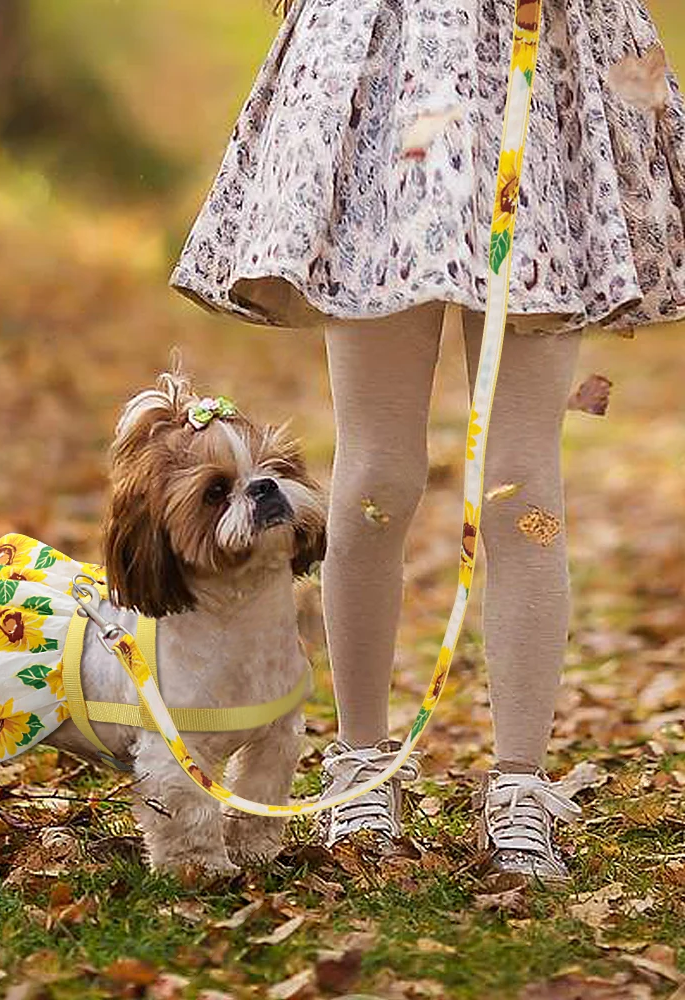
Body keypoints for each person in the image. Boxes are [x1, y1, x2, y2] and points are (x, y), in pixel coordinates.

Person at [168, 0, 685, 881]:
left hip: (541, 62)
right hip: (391, 70)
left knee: (523, 477)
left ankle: (521, 786)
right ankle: (364, 759)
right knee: (379, 471)